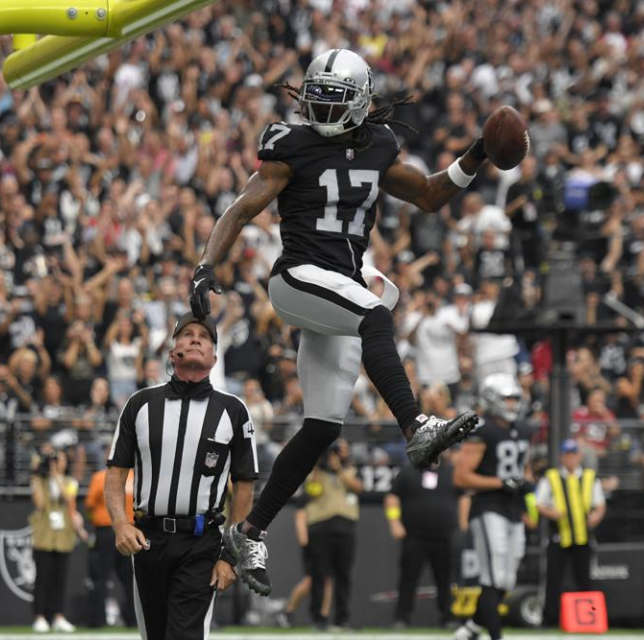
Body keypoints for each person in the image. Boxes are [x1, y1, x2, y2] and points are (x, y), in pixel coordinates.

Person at [191, 48, 497, 594]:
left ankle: (246, 532)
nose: (325, 110)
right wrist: (205, 266)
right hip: (298, 279)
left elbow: (428, 194)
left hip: (338, 291)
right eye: (319, 98)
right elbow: (241, 208)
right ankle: (416, 427)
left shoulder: (379, 145)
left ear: (359, 102)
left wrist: (476, 155)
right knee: (375, 316)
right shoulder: (289, 145)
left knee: (323, 426)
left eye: (336, 99)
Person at [105, 312, 259, 640]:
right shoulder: (140, 404)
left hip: (201, 542)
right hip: (148, 539)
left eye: (204, 337)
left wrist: (230, 556)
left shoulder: (233, 410)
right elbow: (116, 472)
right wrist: (120, 523)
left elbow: (245, 485)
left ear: (215, 357)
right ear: (172, 350)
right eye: (186, 334)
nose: (195, 339)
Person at [453, 373, 532, 640]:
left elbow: (523, 468)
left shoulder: (521, 429)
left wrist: (526, 484)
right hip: (487, 507)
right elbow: (461, 476)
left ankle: (472, 628)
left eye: (514, 399)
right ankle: (496, 636)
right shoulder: (481, 431)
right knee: (493, 574)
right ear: (492, 400)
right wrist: (499, 482)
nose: (512, 405)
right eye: (507, 399)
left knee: (507, 580)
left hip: (512, 507)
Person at [386, 450, 463, 629]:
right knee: (408, 578)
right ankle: (402, 618)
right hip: (415, 535)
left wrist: (462, 524)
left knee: (445, 580)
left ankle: (448, 618)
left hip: (444, 535)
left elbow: (463, 497)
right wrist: (394, 522)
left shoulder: (451, 471)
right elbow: (392, 497)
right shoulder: (408, 471)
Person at [535, 439, 606, 626]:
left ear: (579, 456)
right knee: (553, 579)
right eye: (567, 455)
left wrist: (596, 516)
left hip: (583, 536)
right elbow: (539, 503)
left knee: (585, 579)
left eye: (574, 454)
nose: (571, 458)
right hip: (559, 535)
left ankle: (590, 618)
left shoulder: (590, 477)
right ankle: (549, 619)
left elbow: (600, 504)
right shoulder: (551, 477)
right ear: (562, 457)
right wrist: (552, 513)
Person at [302, 438, 362, 630]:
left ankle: (341, 619)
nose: (336, 454)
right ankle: (318, 618)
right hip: (321, 527)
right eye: (334, 451)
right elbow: (312, 491)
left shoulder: (350, 470)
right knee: (319, 575)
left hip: (345, 527)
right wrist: (319, 465)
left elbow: (358, 488)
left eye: (341, 450)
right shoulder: (315, 472)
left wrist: (338, 469)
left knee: (343, 575)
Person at [30, 447, 87, 633]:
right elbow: (39, 504)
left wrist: (55, 475)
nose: (56, 462)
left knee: (59, 579)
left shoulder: (70, 481)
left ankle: (58, 616)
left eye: (59, 459)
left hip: (63, 536)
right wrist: (39, 473)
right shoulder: (38, 480)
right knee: (42, 578)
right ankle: (39, 616)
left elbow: (68, 498)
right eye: (53, 460)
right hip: (44, 535)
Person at [84, 467, 136, 628]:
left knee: (124, 579)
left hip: (117, 529)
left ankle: (99, 620)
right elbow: (90, 506)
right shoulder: (136, 476)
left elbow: (89, 507)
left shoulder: (101, 477)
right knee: (116, 579)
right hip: (119, 530)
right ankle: (129, 620)